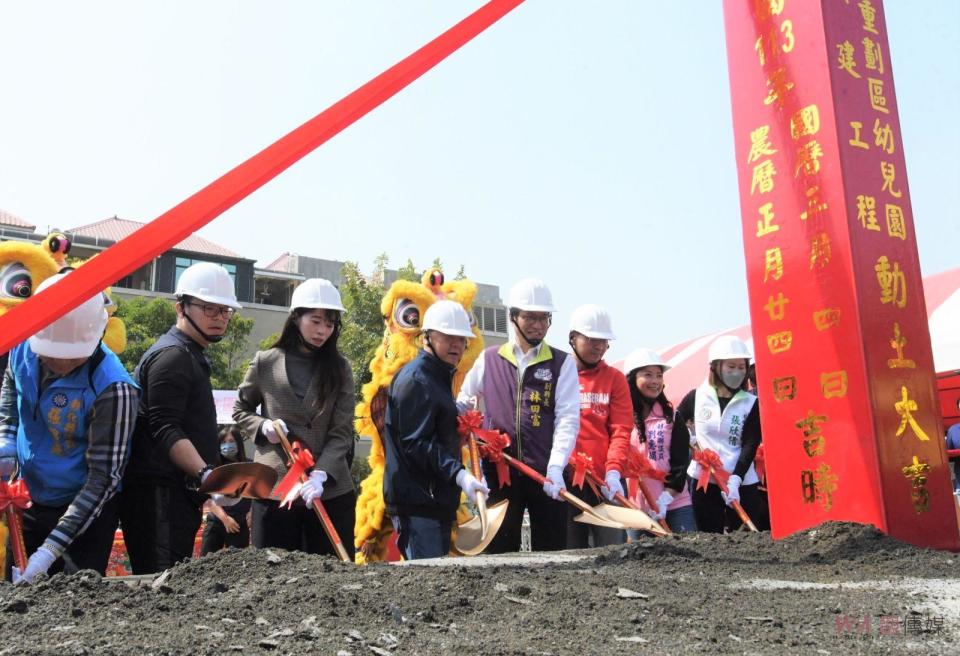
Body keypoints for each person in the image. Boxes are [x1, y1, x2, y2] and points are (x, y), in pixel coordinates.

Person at [0, 273, 138, 582]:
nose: (58, 363)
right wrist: (6, 437)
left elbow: (102, 478)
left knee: (73, 599)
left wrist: (50, 551)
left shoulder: (113, 388)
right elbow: (12, 388)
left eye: (70, 358)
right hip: (30, 497)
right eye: (50, 354)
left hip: (84, 511)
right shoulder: (21, 345)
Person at [120, 262, 242, 574]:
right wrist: (205, 473)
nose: (219, 317)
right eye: (209, 308)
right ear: (181, 307)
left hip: (174, 494)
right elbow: (164, 426)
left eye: (225, 310)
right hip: (158, 494)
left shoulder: (190, 354)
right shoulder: (173, 356)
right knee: (159, 583)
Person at [233, 278, 357, 559]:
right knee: (274, 576)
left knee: (333, 576)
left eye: (330, 323)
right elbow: (241, 410)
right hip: (275, 487)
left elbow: (341, 431)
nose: (323, 331)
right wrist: (263, 426)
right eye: (315, 321)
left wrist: (322, 473)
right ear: (296, 317)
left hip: (328, 490)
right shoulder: (266, 361)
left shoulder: (340, 368)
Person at [457, 278, 579, 552]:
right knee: (499, 555)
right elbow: (464, 403)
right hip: (501, 473)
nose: (538, 325)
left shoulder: (561, 363)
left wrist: (557, 467)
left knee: (552, 554)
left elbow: (568, 418)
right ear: (513, 317)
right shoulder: (489, 359)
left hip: (546, 475)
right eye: (530, 317)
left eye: (544, 318)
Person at [383, 300, 488, 560]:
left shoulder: (437, 377)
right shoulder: (417, 380)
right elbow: (416, 443)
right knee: (424, 585)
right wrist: (459, 474)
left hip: (432, 500)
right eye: (447, 337)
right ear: (427, 337)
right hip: (417, 503)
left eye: (461, 339)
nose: (456, 345)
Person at [674, 335, 769, 533]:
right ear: (716, 367)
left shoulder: (750, 403)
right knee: (709, 538)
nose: (737, 372)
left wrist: (736, 479)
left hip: (741, 481)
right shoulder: (697, 396)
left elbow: (750, 444)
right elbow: (676, 422)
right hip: (704, 481)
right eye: (731, 367)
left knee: (746, 539)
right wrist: (688, 438)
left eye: (741, 367)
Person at [565, 304, 631, 547]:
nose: (599, 347)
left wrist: (614, 470)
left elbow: (621, 430)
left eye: (604, 341)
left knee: (613, 552)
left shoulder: (615, 379)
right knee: (569, 554)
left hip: (606, 482)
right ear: (573, 338)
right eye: (592, 339)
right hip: (567, 482)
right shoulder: (559, 375)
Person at [623, 348, 695, 534]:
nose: (655, 381)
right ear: (631, 378)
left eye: (659, 375)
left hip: (675, 505)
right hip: (637, 509)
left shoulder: (672, 417)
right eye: (648, 375)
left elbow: (680, 464)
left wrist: (666, 498)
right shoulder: (621, 417)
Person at [200, 426, 252, 555]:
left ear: (239, 443)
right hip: (216, 521)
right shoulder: (213, 468)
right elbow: (209, 498)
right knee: (206, 563)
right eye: (223, 442)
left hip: (240, 524)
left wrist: (252, 514)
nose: (227, 445)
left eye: (231, 441)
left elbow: (255, 494)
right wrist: (225, 519)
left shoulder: (249, 466)